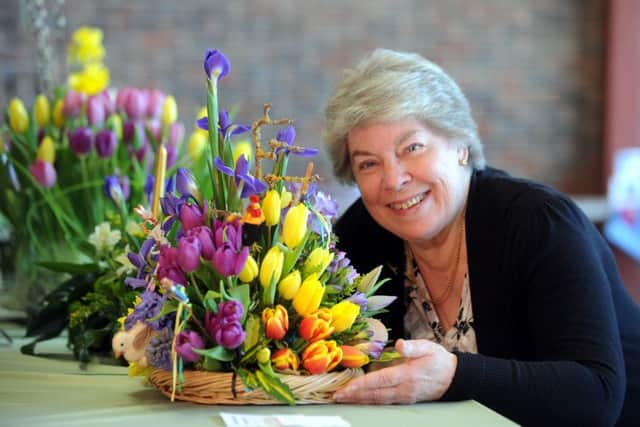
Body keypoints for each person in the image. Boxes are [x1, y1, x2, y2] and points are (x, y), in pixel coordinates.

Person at [323, 48, 640, 426]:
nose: (393, 180)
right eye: (368, 164)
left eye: (412, 148)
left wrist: (455, 376)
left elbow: (596, 395)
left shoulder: (538, 222)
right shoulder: (362, 235)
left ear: (460, 146)